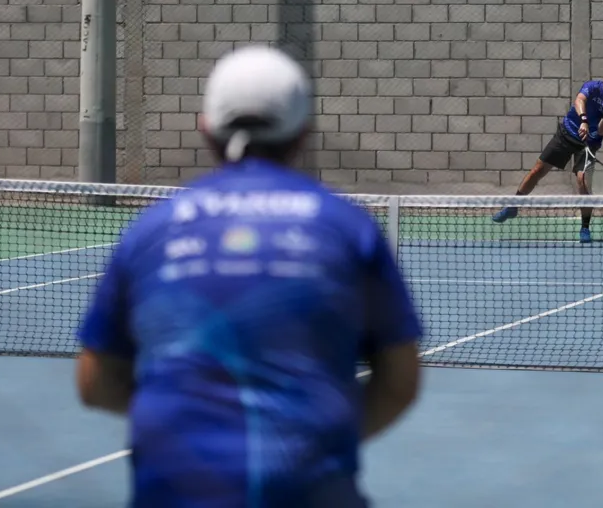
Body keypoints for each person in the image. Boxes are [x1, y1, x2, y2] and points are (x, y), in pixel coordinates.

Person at [75, 44, 422, 508]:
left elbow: (95, 382)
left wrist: (188, 421)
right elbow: (399, 382)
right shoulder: (348, 227)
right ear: (303, 133)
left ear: (206, 128)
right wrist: (312, 435)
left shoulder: (151, 230)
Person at [492, 60, 603, 243]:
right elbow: (579, 100)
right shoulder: (592, 86)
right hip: (567, 133)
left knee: (582, 183)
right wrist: (583, 120)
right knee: (537, 171)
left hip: (588, 145)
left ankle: (585, 227)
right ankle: (513, 206)